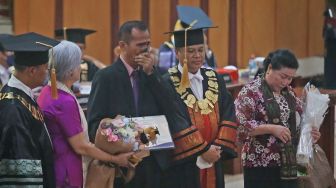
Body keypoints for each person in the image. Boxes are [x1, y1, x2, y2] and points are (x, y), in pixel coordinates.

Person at [87, 20, 175, 188]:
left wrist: (151, 75)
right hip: (122, 166)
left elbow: (170, 111)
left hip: (153, 163)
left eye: (148, 44)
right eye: (140, 44)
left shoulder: (156, 74)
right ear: (123, 45)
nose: (146, 49)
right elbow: (94, 125)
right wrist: (126, 141)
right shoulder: (106, 77)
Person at [37, 40, 133, 187]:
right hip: (67, 173)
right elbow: (81, 146)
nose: (80, 67)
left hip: (55, 164)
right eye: (78, 63)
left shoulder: (47, 91)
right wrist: (115, 159)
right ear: (70, 70)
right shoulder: (64, 100)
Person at [159, 24, 237, 188]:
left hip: (215, 156)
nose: (197, 56)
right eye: (191, 51)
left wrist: (218, 147)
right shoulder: (167, 83)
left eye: (201, 50)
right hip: (186, 161)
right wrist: (202, 150)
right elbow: (175, 120)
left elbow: (228, 112)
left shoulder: (214, 78)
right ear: (178, 52)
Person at [234, 49, 321, 188]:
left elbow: (299, 122)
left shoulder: (289, 93)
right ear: (269, 68)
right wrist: (271, 128)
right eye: (283, 76)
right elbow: (240, 126)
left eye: (290, 78)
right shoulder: (251, 91)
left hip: (291, 162)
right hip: (261, 164)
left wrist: (310, 133)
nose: (286, 82)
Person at [0, 32, 59, 187]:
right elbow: (19, 160)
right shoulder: (12, 106)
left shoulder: (23, 96)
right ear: (32, 70)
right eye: (45, 68)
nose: (47, 73)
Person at [157, 5, 217, 74]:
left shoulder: (205, 49)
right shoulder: (166, 49)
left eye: (200, 50)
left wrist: (207, 53)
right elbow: (166, 73)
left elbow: (211, 72)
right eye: (191, 50)